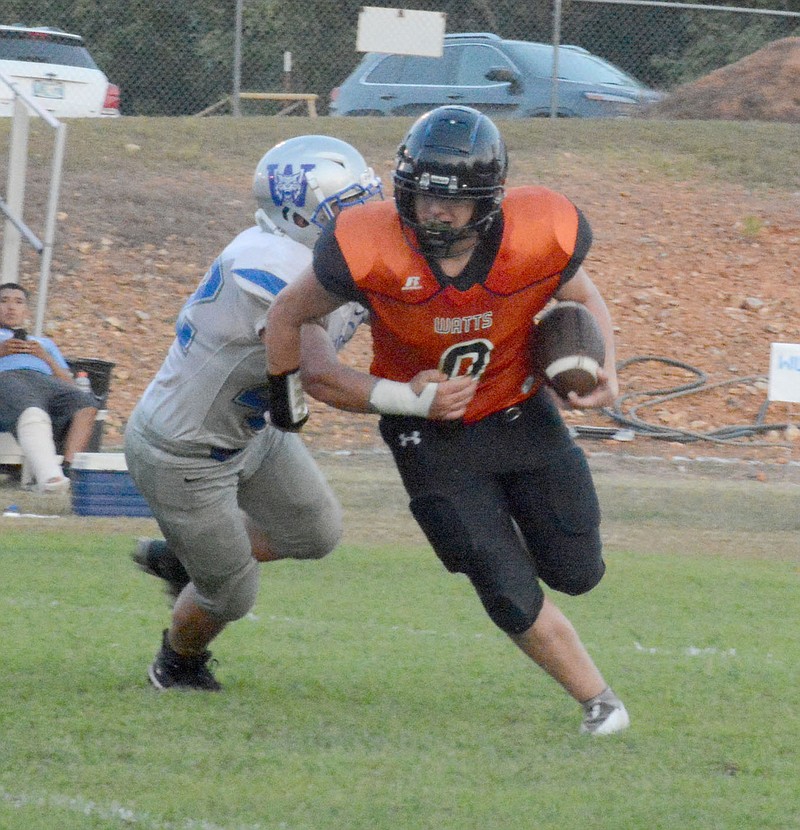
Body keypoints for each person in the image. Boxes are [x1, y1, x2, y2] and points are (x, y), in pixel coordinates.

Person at [264, 106, 630, 736]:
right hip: (430, 438)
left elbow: (581, 296)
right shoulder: (367, 241)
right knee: (501, 580)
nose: (432, 214)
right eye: (421, 197)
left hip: (520, 412)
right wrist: (288, 390)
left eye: (450, 204)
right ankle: (599, 701)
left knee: (578, 570)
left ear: (488, 202)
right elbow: (287, 314)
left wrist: (607, 368)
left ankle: (582, 656)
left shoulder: (540, 230)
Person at [124, 135, 383, 691]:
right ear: (296, 215)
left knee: (316, 532)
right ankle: (178, 665)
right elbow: (320, 375)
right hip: (184, 449)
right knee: (231, 594)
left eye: (369, 198)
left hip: (252, 433)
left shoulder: (334, 257)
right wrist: (417, 400)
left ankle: (184, 556)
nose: (367, 217)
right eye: (347, 207)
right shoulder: (269, 261)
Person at [0, 282, 98, 492]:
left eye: (18, 302)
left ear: (26, 310)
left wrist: (44, 357)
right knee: (32, 412)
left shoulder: (43, 343)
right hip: (6, 379)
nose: (11, 307)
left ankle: (69, 471)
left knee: (86, 405)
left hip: (46, 382)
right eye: (4, 301)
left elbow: (69, 383)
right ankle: (50, 478)